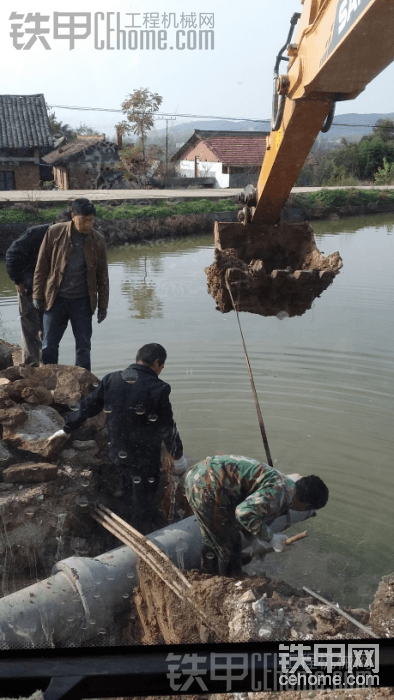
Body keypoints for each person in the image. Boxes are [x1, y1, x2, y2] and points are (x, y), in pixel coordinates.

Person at [57, 343, 185, 534]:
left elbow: (87, 406)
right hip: (146, 458)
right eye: (161, 366)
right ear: (156, 363)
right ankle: (144, 534)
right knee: (145, 499)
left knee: (125, 491)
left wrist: (66, 428)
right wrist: (178, 455)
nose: (160, 371)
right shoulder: (159, 387)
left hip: (118, 453)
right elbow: (167, 426)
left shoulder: (112, 379)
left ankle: (122, 530)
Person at [185, 454, 329, 577]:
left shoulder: (287, 484)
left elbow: (250, 511)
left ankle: (208, 571)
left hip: (205, 476)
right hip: (204, 485)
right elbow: (243, 513)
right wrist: (271, 538)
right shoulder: (278, 495)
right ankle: (225, 582)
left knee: (220, 537)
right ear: (305, 506)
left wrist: (255, 542)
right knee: (227, 544)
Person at [32, 198, 109, 372]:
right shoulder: (54, 232)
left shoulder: (98, 240)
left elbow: (102, 275)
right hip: (56, 299)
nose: (88, 225)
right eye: (83, 220)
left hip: (82, 301)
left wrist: (103, 305)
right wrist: (37, 294)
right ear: (73, 216)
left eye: (91, 220)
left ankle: (83, 385)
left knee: (83, 346)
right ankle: (49, 381)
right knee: (49, 345)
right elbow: (41, 265)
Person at [5, 210, 72, 366]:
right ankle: (31, 365)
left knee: (48, 328)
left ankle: (47, 366)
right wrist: (18, 280)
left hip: (51, 291)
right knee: (30, 328)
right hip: (28, 287)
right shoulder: (36, 234)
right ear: (60, 223)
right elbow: (12, 254)